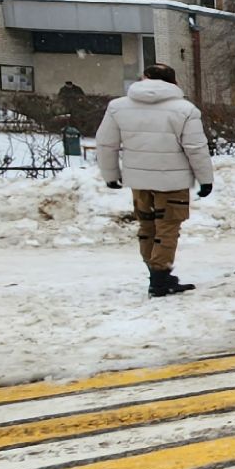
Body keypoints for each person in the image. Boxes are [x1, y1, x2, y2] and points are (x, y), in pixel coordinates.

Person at [94, 63, 213, 297]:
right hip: (173, 181)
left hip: (138, 180)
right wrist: (205, 179)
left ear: (144, 78)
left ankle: (155, 274)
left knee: (147, 226)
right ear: (174, 82)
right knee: (167, 228)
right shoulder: (185, 109)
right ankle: (160, 279)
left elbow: (106, 143)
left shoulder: (118, 107)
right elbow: (196, 148)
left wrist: (110, 175)